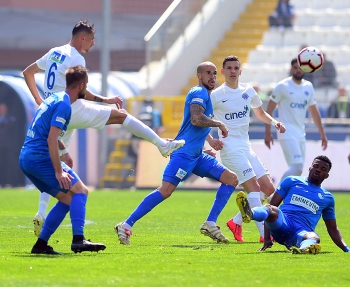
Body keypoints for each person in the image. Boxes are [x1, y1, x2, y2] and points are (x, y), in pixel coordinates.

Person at [22, 19, 185, 236]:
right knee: (121, 115)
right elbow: (77, 89)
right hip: (70, 108)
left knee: (57, 160)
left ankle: (41, 212)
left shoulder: (55, 52)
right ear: (82, 38)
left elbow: (27, 72)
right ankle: (162, 144)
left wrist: (38, 100)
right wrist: (104, 100)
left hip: (53, 110)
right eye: (91, 40)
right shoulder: (75, 57)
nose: (92, 44)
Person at [114, 61, 239, 245]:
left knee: (231, 179)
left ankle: (210, 223)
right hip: (184, 154)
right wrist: (219, 124)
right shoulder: (199, 92)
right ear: (199, 76)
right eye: (208, 73)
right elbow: (197, 119)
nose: (212, 77)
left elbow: (195, 125)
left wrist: (210, 141)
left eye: (214, 73)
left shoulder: (207, 95)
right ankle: (126, 225)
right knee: (165, 191)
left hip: (197, 155)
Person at [20, 65, 106, 254]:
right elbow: (50, 138)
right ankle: (78, 240)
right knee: (81, 190)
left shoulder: (54, 98)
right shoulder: (64, 105)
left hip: (27, 159)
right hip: (39, 158)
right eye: (87, 86)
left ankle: (41, 245)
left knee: (67, 199)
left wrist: (64, 151)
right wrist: (59, 171)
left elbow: (48, 133)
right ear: (82, 85)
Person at [209, 55, 286, 243]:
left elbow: (260, 113)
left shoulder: (248, 91)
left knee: (268, 189)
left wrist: (275, 122)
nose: (233, 71)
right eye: (229, 68)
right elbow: (200, 120)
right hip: (229, 149)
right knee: (254, 188)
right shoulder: (216, 95)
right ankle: (264, 235)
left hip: (246, 147)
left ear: (240, 71)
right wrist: (210, 141)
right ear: (223, 71)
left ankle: (236, 222)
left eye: (236, 68)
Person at [236, 155, 350, 254]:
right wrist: (267, 238)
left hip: (301, 232)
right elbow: (270, 208)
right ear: (310, 168)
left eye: (323, 169)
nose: (318, 170)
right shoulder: (291, 181)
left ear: (327, 175)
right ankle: (250, 213)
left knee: (314, 237)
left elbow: (332, 228)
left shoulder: (328, 198)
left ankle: (304, 249)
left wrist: (346, 248)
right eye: (316, 166)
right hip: (282, 223)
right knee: (271, 209)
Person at [265, 58, 328, 183]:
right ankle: (271, 194)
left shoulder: (308, 87)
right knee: (298, 167)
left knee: (298, 171)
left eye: (300, 68)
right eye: (295, 68)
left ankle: (279, 198)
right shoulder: (283, 86)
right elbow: (269, 110)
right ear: (291, 69)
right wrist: (268, 132)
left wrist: (322, 134)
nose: (298, 70)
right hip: (286, 131)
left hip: (300, 133)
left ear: (305, 69)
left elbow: (314, 112)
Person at [0, 102, 17, 187]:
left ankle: (10, 182)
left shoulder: (10, 118)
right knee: (1, 164)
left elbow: (11, 126)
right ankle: (2, 182)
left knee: (9, 164)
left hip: (8, 146)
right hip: (1, 146)